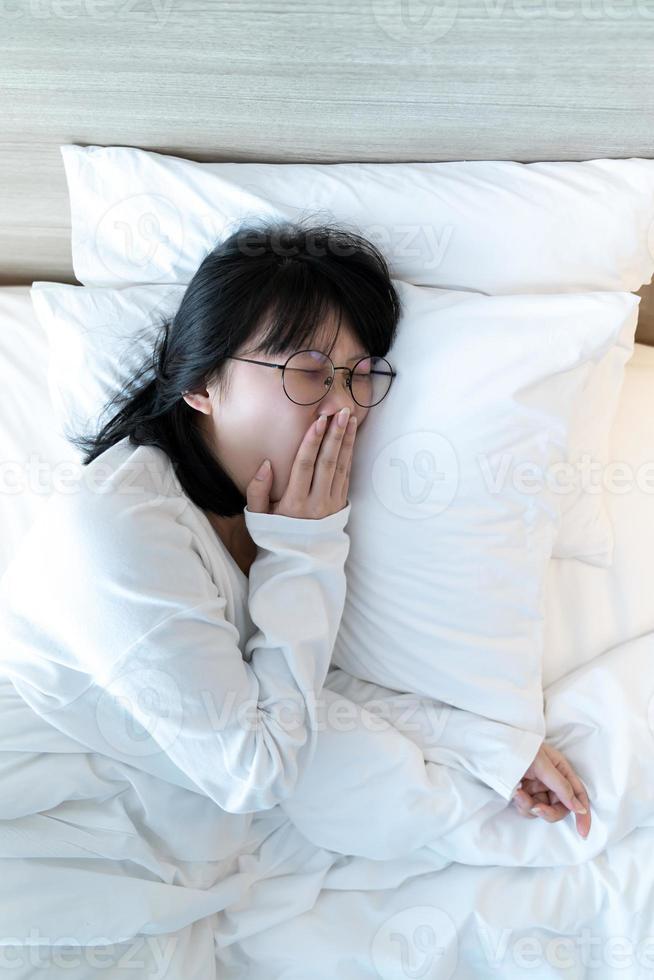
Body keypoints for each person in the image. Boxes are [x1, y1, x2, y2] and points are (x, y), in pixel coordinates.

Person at [0, 218, 589, 859]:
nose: (344, 408)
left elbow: (293, 684)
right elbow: (256, 767)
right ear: (199, 383)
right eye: (308, 371)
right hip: (46, 802)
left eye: (359, 375)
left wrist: (489, 748)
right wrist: (304, 549)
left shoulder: (272, 506)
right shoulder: (118, 531)